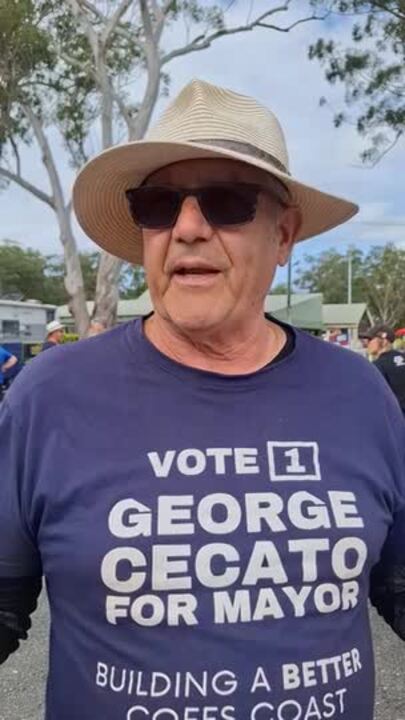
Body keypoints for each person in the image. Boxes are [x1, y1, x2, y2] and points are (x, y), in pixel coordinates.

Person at [0, 79, 404, 720]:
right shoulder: (50, 395)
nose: (187, 227)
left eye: (224, 201)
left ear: (284, 234)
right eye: (159, 204)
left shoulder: (360, 393)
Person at [363, 324, 405, 416]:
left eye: (370, 339)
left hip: (397, 420)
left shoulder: (378, 366)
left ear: (384, 341)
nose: (367, 343)